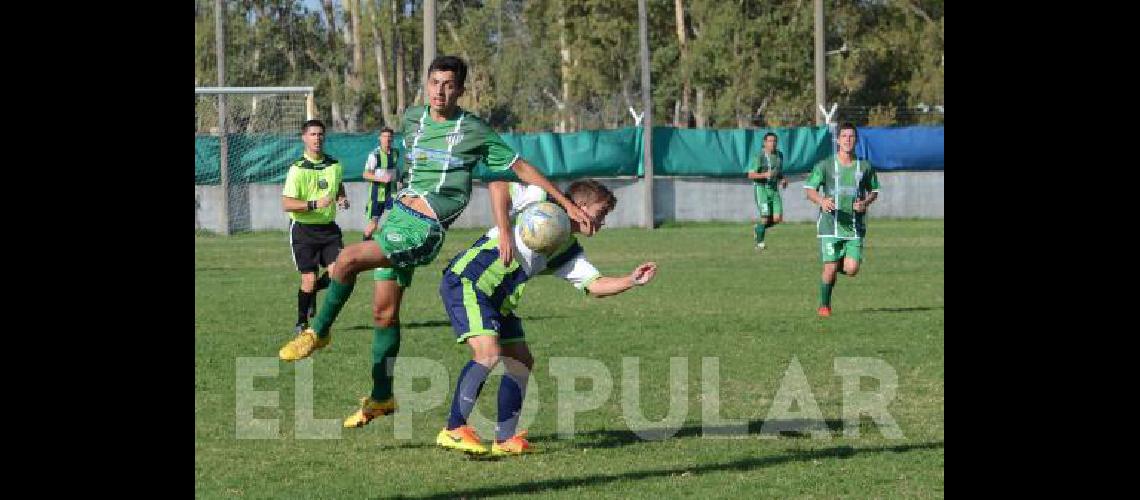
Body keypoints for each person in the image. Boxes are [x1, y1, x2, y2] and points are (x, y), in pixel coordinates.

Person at [276, 55, 592, 431]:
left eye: (449, 85)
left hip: (423, 228)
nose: (441, 91)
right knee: (383, 313)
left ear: (460, 89)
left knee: (345, 260)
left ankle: (319, 332)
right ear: (426, 84)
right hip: (397, 218)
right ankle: (381, 397)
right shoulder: (412, 119)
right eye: (435, 82)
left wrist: (568, 204)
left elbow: (520, 168)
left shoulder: (474, 130)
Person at [436, 179, 658, 456]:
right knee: (488, 353)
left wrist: (631, 280)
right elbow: (498, 186)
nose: (602, 223)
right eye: (600, 214)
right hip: (469, 281)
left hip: (499, 300)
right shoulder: (540, 199)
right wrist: (505, 231)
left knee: (520, 360)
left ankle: (505, 439)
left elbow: (595, 285)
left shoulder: (565, 247)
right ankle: (453, 428)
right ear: (581, 206)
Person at [803, 123, 880, 317]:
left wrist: (865, 202)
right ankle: (824, 305)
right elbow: (809, 190)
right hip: (830, 225)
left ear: (856, 140)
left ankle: (832, 265)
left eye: (851, 136)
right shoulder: (826, 165)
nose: (847, 139)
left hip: (854, 227)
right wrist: (822, 200)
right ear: (838, 140)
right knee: (829, 269)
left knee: (852, 269)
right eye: (844, 136)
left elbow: (875, 191)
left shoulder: (865, 166)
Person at [281, 119, 349, 334]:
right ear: (304, 138)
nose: (317, 138)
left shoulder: (334, 165)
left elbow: (338, 185)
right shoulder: (297, 169)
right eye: (312, 134)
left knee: (339, 273)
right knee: (308, 279)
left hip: (329, 230)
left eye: (320, 134)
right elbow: (287, 203)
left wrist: (341, 198)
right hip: (303, 230)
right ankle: (301, 322)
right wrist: (313, 204)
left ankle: (311, 293)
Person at [745, 132, 788, 250]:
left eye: (774, 141)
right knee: (765, 218)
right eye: (769, 141)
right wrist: (764, 174)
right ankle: (759, 244)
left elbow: (778, 172)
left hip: (774, 190)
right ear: (764, 143)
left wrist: (783, 179)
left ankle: (758, 228)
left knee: (777, 219)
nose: (772, 143)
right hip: (761, 189)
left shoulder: (779, 155)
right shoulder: (759, 156)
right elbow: (750, 175)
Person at [361, 127, 400, 241]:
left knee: (398, 216)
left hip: (392, 193)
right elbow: (365, 174)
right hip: (377, 195)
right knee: (373, 224)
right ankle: (365, 243)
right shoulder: (374, 155)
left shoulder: (395, 153)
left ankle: (391, 242)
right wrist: (381, 179)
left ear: (392, 138)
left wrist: (399, 180)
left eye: (389, 137)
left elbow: (394, 169)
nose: (387, 139)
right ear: (380, 138)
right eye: (384, 136)